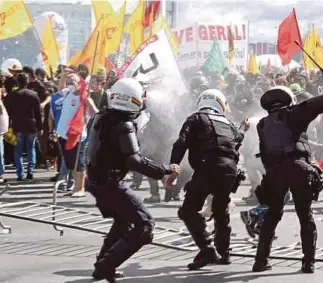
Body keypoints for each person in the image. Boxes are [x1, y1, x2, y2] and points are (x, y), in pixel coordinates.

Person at [87, 78, 179, 282]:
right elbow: (134, 160)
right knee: (145, 225)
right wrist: (164, 170)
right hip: (109, 183)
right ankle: (107, 264)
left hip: (97, 180)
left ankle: (102, 264)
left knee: (123, 220)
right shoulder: (123, 125)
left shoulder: (101, 117)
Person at [251, 71, 323, 274]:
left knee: (272, 215)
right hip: (298, 168)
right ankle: (308, 263)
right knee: (305, 215)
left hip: (274, 173)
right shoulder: (294, 112)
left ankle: (260, 261)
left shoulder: (263, 124)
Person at [167, 89, 250, 270]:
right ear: (221, 104)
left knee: (188, 211)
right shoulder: (227, 122)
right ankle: (224, 253)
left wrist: (173, 165)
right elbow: (236, 140)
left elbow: (181, 142)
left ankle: (207, 248)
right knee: (221, 211)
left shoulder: (195, 118)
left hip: (207, 167)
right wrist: (243, 128)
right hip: (230, 170)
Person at [8, 73, 42, 181]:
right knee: (31, 148)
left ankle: (19, 174)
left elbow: (10, 111)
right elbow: (38, 113)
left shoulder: (13, 95)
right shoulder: (33, 94)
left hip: (18, 125)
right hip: (31, 125)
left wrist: (9, 124)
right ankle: (30, 171)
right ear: (27, 81)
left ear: (17, 82)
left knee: (18, 150)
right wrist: (40, 127)